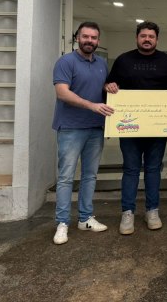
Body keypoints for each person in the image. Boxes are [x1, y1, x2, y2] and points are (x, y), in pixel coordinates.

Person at [105, 21, 167, 235]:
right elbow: (109, 86)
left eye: (151, 36)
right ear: (137, 38)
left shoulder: (166, 61)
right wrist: (109, 86)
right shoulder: (123, 60)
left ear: (157, 39)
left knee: (153, 169)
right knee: (130, 169)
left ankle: (152, 210)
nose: (147, 39)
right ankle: (127, 212)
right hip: (129, 127)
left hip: (158, 127)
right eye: (143, 36)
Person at [51, 21, 114, 245]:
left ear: (98, 41)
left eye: (93, 38)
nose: (89, 41)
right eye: (85, 36)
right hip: (71, 127)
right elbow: (62, 93)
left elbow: (103, 90)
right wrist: (91, 106)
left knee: (90, 175)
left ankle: (85, 218)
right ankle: (62, 223)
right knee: (66, 177)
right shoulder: (65, 62)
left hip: (95, 128)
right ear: (77, 38)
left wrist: (109, 89)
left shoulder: (102, 64)